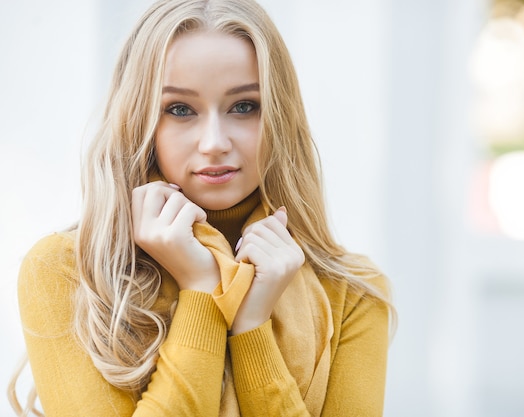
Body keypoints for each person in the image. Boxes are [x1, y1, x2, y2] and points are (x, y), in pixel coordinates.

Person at [11, 0, 395, 415]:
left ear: (280, 116)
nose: (214, 142)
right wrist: (202, 291)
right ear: (138, 120)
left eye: (244, 106)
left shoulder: (354, 294)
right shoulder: (68, 272)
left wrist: (252, 331)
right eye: (180, 109)